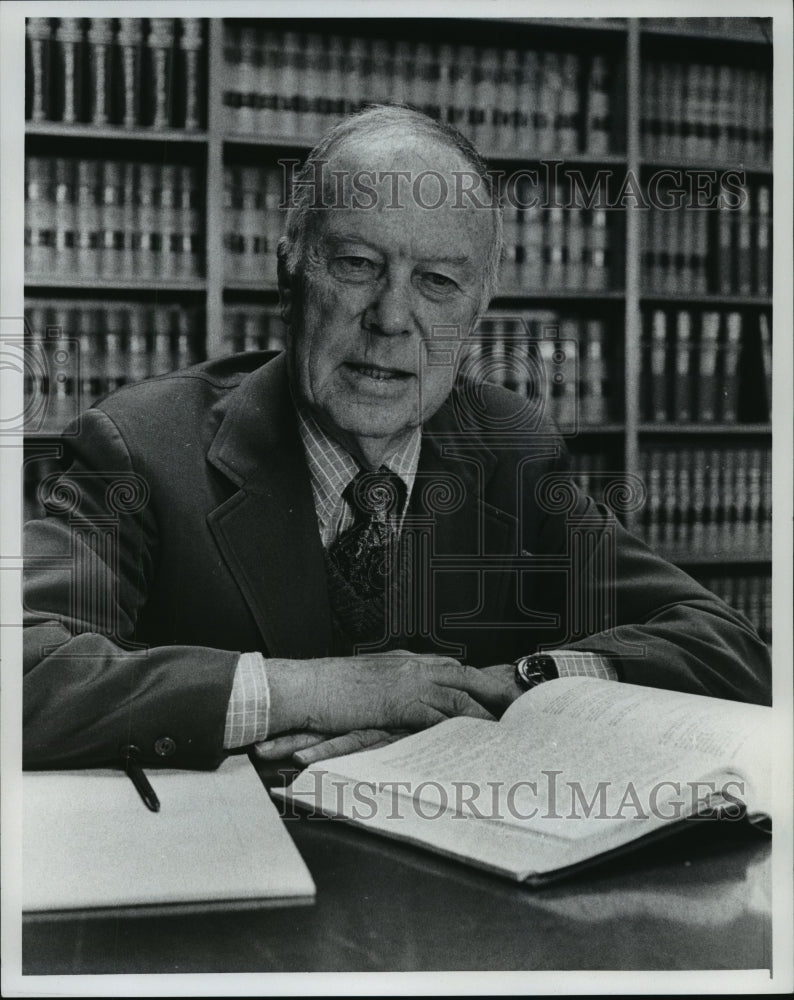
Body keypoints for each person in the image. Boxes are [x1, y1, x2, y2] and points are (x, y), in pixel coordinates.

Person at [23, 105, 771, 772]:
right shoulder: (142, 447)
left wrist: (515, 690)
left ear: (479, 307)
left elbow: (729, 650)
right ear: (290, 267)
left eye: (437, 281)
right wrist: (314, 690)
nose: (390, 318)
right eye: (357, 265)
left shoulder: (509, 451)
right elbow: (21, 672)